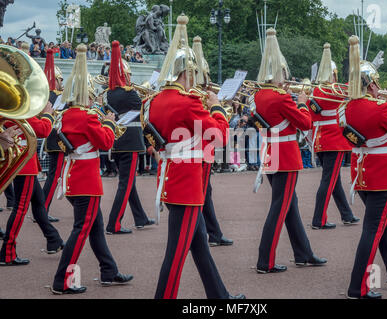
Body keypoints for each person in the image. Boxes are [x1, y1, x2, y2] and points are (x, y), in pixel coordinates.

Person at [149, 14, 244, 299]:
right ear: (186, 73)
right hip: (186, 183)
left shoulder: (157, 99)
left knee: (199, 245)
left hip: (172, 178)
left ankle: (220, 297)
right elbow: (220, 136)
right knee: (176, 255)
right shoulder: (187, 102)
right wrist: (217, 107)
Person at [51, 44, 133, 294]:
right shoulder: (88, 116)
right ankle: (61, 280)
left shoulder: (65, 115)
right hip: (86, 180)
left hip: (74, 176)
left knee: (95, 228)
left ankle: (109, 270)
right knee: (81, 231)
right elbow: (106, 142)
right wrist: (108, 123)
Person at [343, 36, 387, 299]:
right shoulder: (382, 108)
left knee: (383, 224)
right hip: (382, 176)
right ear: (371, 84)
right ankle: (357, 288)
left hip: (360, 175)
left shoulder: (347, 108)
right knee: (373, 229)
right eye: (375, 83)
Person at [253, 28, 326, 274]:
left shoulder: (260, 95)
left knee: (289, 205)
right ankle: (266, 260)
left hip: (270, 154)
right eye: (284, 74)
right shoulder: (281, 97)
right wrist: (303, 104)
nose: (286, 79)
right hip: (285, 156)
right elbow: (305, 123)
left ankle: (303, 253)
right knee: (279, 208)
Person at [0, 103, 64, 266]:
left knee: (38, 202)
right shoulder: (17, 112)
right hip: (24, 164)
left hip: (26, 162)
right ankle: (7, 252)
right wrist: (48, 114)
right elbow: (43, 129)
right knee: (20, 209)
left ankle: (53, 239)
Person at [307, 43, 359, 230]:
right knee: (328, 181)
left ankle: (347, 215)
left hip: (321, 140)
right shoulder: (332, 90)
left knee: (333, 180)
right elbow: (354, 87)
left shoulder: (316, 90)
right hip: (333, 141)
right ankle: (318, 219)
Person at [105, 41, 154, 234]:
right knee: (125, 184)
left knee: (129, 182)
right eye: (129, 75)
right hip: (131, 142)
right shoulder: (129, 93)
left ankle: (140, 217)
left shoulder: (109, 94)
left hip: (117, 142)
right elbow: (141, 109)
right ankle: (113, 224)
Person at [191, 36, 233, 246]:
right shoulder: (196, 97)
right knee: (201, 193)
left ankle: (213, 233)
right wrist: (216, 106)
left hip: (199, 147)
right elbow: (215, 132)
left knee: (205, 192)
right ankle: (202, 234)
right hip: (200, 148)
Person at [42, 49, 65, 222]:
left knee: (53, 175)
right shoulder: (56, 95)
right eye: (60, 80)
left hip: (52, 139)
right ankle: (42, 211)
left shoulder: (45, 94)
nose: (61, 83)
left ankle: (41, 208)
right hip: (58, 140)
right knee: (54, 176)